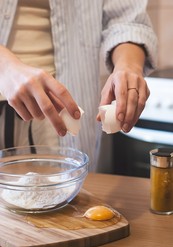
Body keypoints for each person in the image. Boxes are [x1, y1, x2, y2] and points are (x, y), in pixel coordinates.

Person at [0, 0, 157, 171]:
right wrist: (5, 67)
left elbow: (127, 20)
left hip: (61, 110)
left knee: (68, 191)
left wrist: (128, 66)